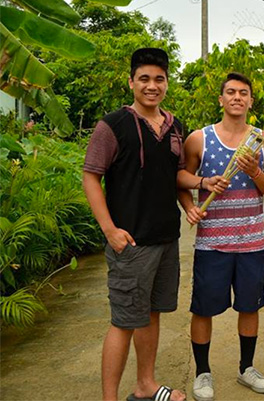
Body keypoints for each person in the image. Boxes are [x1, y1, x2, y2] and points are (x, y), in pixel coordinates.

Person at [82, 48, 223, 401]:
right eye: (144, 78)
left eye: (158, 79)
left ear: (166, 83)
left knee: (152, 313)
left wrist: (201, 182)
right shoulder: (112, 125)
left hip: (165, 238)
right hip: (130, 242)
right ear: (131, 82)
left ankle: (145, 385)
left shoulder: (174, 126)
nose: (152, 85)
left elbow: (175, 174)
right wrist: (109, 229)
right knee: (124, 321)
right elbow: (90, 177)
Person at [178, 72, 264, 400]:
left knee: (249, 307)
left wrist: (255, 172)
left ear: (251, 100)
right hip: (212, 243)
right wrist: (191, 204)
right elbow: (180, 177)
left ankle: (246, 368)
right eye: (231, 93)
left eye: (244, 93)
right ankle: (203, 373)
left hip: (252, 242)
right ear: (221, 99)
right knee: (203, 309)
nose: (237, 97)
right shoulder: (199, 139)